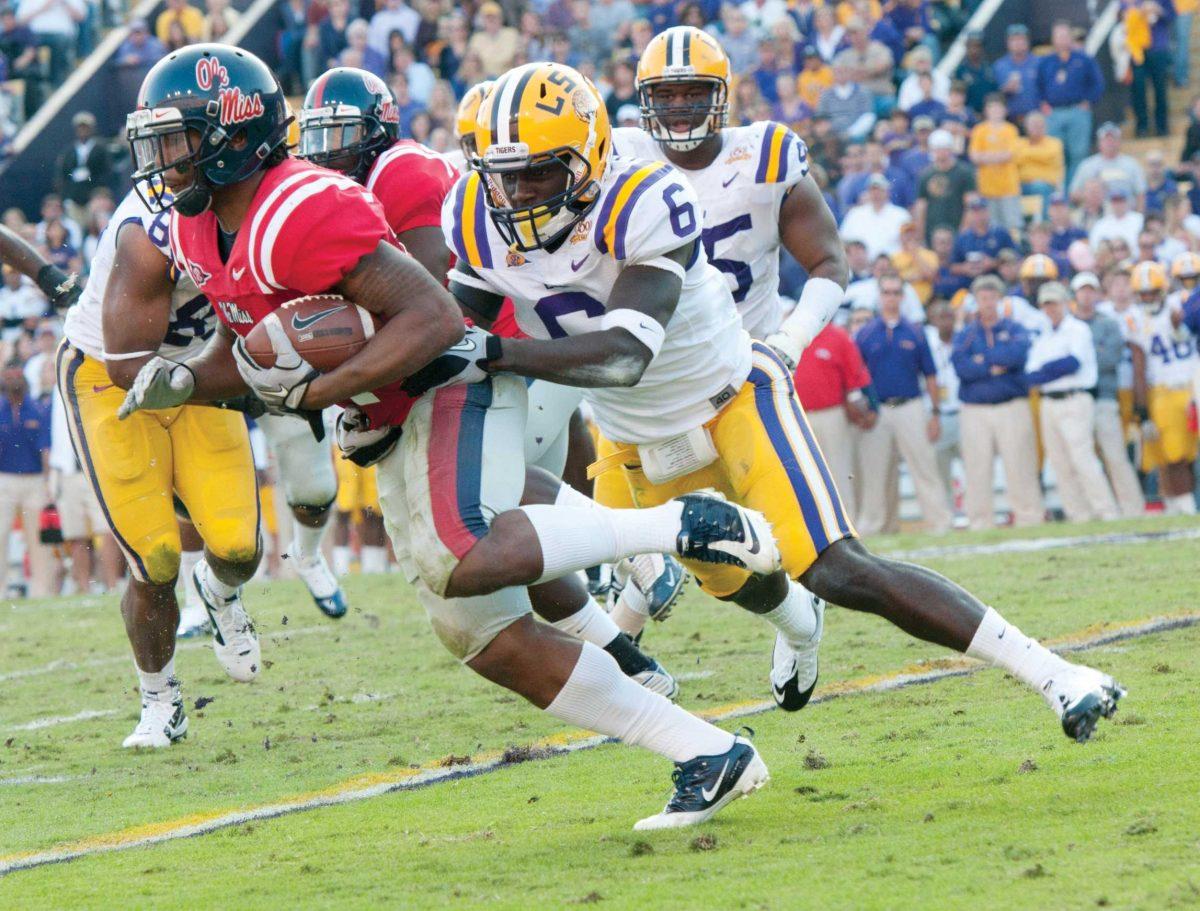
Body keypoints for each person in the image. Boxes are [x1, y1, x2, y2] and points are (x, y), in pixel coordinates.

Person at [121, 47, 775, 828]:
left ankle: (680, 526)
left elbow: (434, 317)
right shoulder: (199, 229)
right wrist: (191, 377)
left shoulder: (299, 206)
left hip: (448, 380)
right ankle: (705, 751)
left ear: (230, 135)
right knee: (481, 634)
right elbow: (251, 343)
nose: (162, 161)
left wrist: (325, 389)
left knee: (458, 553)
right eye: (155, 143)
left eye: (176, 140)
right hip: (390, 408)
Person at [441, 54, 1126, 767]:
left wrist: (485, 351)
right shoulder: (473, 212)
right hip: (631, 438)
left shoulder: (644, 197)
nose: (515, 192)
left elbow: (619, 355)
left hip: (732, 398)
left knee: (838, 567)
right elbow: (459, 325)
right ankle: (800, 630)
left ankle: (1056, 673)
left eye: (538, 172)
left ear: (586, 158)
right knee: (739, 581)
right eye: (501, 172)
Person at [853, 274, 951, 535]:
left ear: (903, 297)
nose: (891, 297)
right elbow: (857, 377)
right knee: (876, 472)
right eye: (887, 292)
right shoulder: (865, 333)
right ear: (879, 296)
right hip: (878, 409)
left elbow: (930, 375)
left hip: (911, 406)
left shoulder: (915, 332)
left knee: (924, 466)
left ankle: (939, 523)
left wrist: (935, 414)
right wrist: (863, 410)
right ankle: (876, 527)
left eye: (896, 292)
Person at [952, 275, 1044, 529]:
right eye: (983, 298)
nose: (988, 303)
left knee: (1020, 464)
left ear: (1000, 299)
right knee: (977, 468)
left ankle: (1029, 517)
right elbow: (961, 367)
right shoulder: (966, 335)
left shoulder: (1014, 328)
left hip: (1010, 405)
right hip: (975, 409)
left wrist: (982, 361)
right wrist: (993, 366)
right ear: (976, 301)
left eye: (992, 297)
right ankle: (980, 521)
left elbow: (1016, 356)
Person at [1024, 282, 1120, 523]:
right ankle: (1078, 514)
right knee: (1059, 462)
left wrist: (1047, 369)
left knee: (1082, 458)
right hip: (1049, 401)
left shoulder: (1077, 329)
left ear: (1065, 303)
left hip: (1074, 397)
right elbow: (1031, 374)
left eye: (1054, 304)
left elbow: (1072, 363)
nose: (1051, 309)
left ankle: (1106, 511)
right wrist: (1051, 369)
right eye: (1046, 305)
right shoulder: (1043, 334)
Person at [1071, 271, 1145, 517]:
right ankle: (1096, 510)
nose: (1087, 294)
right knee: (1082, 459)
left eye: (1091, 289)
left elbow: (1109, 358)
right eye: (1083, 290)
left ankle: (1133, 508)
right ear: (1075, 293)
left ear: (1097, 293)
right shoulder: (1069, 324)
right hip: (1076, 397)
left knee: (1115, 455)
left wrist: (1076, 361)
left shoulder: (1108, 323)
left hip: (1103, 396)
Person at [1130, 261, 1198, 514]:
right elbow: (1139, 366)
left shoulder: (1182, 304)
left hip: (1193, 385)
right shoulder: (1135, 319)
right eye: (1143, 293)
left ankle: (1184, 503)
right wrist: (1142, 410)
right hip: (1164, 391)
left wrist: (1183, 321)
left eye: (1152, 292)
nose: (1147, 297)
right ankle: (1185, 507)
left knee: (1189, 454)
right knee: (1173, 455)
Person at [793, 321, 873, 522]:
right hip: (798, 415)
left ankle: (847, 522)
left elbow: (855, 377)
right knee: (804, 474)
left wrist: (860, 405)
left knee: (839, 469)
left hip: (832, 412)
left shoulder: (838, 337)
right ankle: (815, 525)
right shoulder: (791, 336)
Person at [0, 359, 51, 597]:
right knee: (0, 535)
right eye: (9, 377)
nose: (13, 381)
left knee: (38, 541)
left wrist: (48, 482)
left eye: (16, 376)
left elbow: (45, 450)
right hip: (5, 479)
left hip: (34, 480)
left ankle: (42, 590)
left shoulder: (36, 409)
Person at [1038, 20, 1105, 184]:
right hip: (1053, 113)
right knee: (1056, 155)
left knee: (1079, 154)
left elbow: (1098, 83)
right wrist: (1042, 104)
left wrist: (1089, 101)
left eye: (1065, 36)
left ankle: (1076, 192)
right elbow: (1037, 86)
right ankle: (1059, 196)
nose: (1062, 40)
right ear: (1053, 39)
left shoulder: (1084, 59)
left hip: (1077, 111)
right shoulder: (1046, 62)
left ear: (1070, 38)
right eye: (1058, 36)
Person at [925, 300, 961, 515]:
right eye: (941, 317)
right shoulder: (927, 343)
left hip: (962, 411)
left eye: (950, 317)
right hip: (937, 414)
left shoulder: (964, 340)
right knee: (940, 470)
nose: (946, 322)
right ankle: (946, 515)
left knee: (974, 468)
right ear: (933, 321)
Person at [969, 94, 1022, 233]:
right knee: (991, 227)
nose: (995, 111)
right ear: (986, 110)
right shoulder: (979, 130)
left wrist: (986, 157)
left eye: (999, 108)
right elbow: (974, 157)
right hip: (986, 187)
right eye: (992, 108)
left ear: (1005, 110)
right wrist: (998, 156)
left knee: (1012, 225)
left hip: (1008, 187)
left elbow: (1010, 155)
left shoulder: (1011, 130)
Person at [916, 128, 974, 242]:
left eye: (943, 148)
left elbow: (970, 204)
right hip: (932, 231)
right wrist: (920, 234)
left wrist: (964, 230)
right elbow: (921, 207)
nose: (940, 153)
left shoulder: (964, 172)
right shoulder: (926, 175)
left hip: (957, 228)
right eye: (937, 149)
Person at [55, 111, 111, 229]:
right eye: (80, 127)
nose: (83, 130)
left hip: (94, 198)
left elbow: (107, 172)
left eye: (85, 127)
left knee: (97, 228)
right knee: (76, 229)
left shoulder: (100, 148)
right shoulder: (69, 152)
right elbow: (63, 175)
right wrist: (66, 197)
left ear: (92, 128)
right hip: (74, 199)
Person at [1127, 0, 1175, 137]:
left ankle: (1162, 126)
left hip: (1158, 49)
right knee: (1138, 89)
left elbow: (1172, 16)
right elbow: (1121, 13)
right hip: (1138, 50)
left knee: (1160, 89)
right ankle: (1142, 126)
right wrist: (1139, 12)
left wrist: (1159, 10)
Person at [1069, 122, 1148, 202]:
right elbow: (1073, 194)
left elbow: (1141, 193)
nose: (1110, 143)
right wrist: (1092, 194)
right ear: (1099, 142)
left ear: (1119, 142)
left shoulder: (1132, 164)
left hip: (1126, 212)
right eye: (1106, 140)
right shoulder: (1087, 165)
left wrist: (1139, 213)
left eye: (1113, 139)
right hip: (1096, 213)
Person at [839, 173, 911, 260]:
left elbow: (910, 243)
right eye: (873, 190)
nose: (876, 193)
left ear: (888, 192)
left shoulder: (901, 215)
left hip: (892, 267)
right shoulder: (855, 214)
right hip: (861, 268)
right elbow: (843, 241)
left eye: (880, 190)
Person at [1015, 112, 1065, 218]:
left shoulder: (1055, 143)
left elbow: (1048, 155)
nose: (1037, 128)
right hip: (1020, 185)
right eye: (1033, 125)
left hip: (1047, 185)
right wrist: (1037, 156)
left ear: (1045, 127)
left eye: (1040, 125)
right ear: (1026, 127)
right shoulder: (1019, 143)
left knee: (1040, 186)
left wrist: (1025, 155)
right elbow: (1014, 158)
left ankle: (1044, 223)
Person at [993, 23, 1041, 121]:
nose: (1018, 43)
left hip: (1035, 118)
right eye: (1013, 40)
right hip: (1010, 118)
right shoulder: (1000, 66)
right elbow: (994, 94)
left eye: (1021, 39)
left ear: (1028, 41)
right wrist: (1006, 89)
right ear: (1007, 43)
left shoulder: (1038, 62)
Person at [1089, 187, 1145, 251]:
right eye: (1115, 201)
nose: (1118, 204)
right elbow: (1094, 247)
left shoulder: (1139, 219)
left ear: (1127, 201)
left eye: (1121, 200)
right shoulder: (1101, 224)